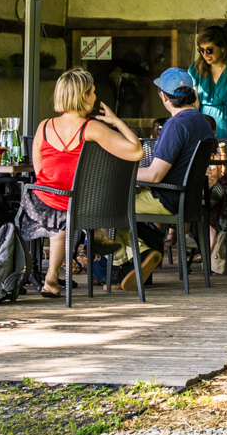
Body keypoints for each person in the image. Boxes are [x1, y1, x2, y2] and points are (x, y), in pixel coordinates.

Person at [22, 68, 144, 297]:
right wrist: (116, 121)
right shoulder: (93, 128)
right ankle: (93, 234)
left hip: (43, 204)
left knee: (61, 217)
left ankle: (52, 276)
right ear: (84, 96)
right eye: (93, 92)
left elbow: (40, 172)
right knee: (69, 214)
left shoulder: (43, 126)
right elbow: (136, 151)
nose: (95, 97)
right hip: (84, 205)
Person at [127, 69, 217, 290]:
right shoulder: (202, 121)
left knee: (108, 205)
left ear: (164, 98)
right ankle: (139, 259)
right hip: (186, 199)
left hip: (166, 198)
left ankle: (143, 254)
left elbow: (155, 175)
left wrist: (122, 173)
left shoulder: (176, 124)